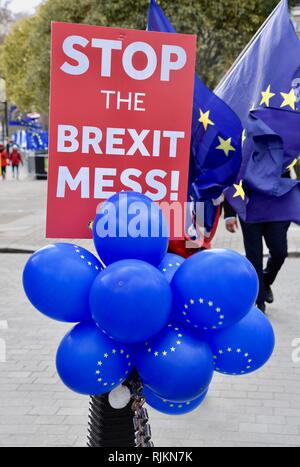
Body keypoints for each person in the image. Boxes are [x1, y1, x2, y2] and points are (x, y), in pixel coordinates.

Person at [224, 200, 290, 313]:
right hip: (249, 207)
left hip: (276, 207)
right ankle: (259, 301)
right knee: (254, 257)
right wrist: (230, 214)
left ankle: (265, 282)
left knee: (280, 252)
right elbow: (230, 182)